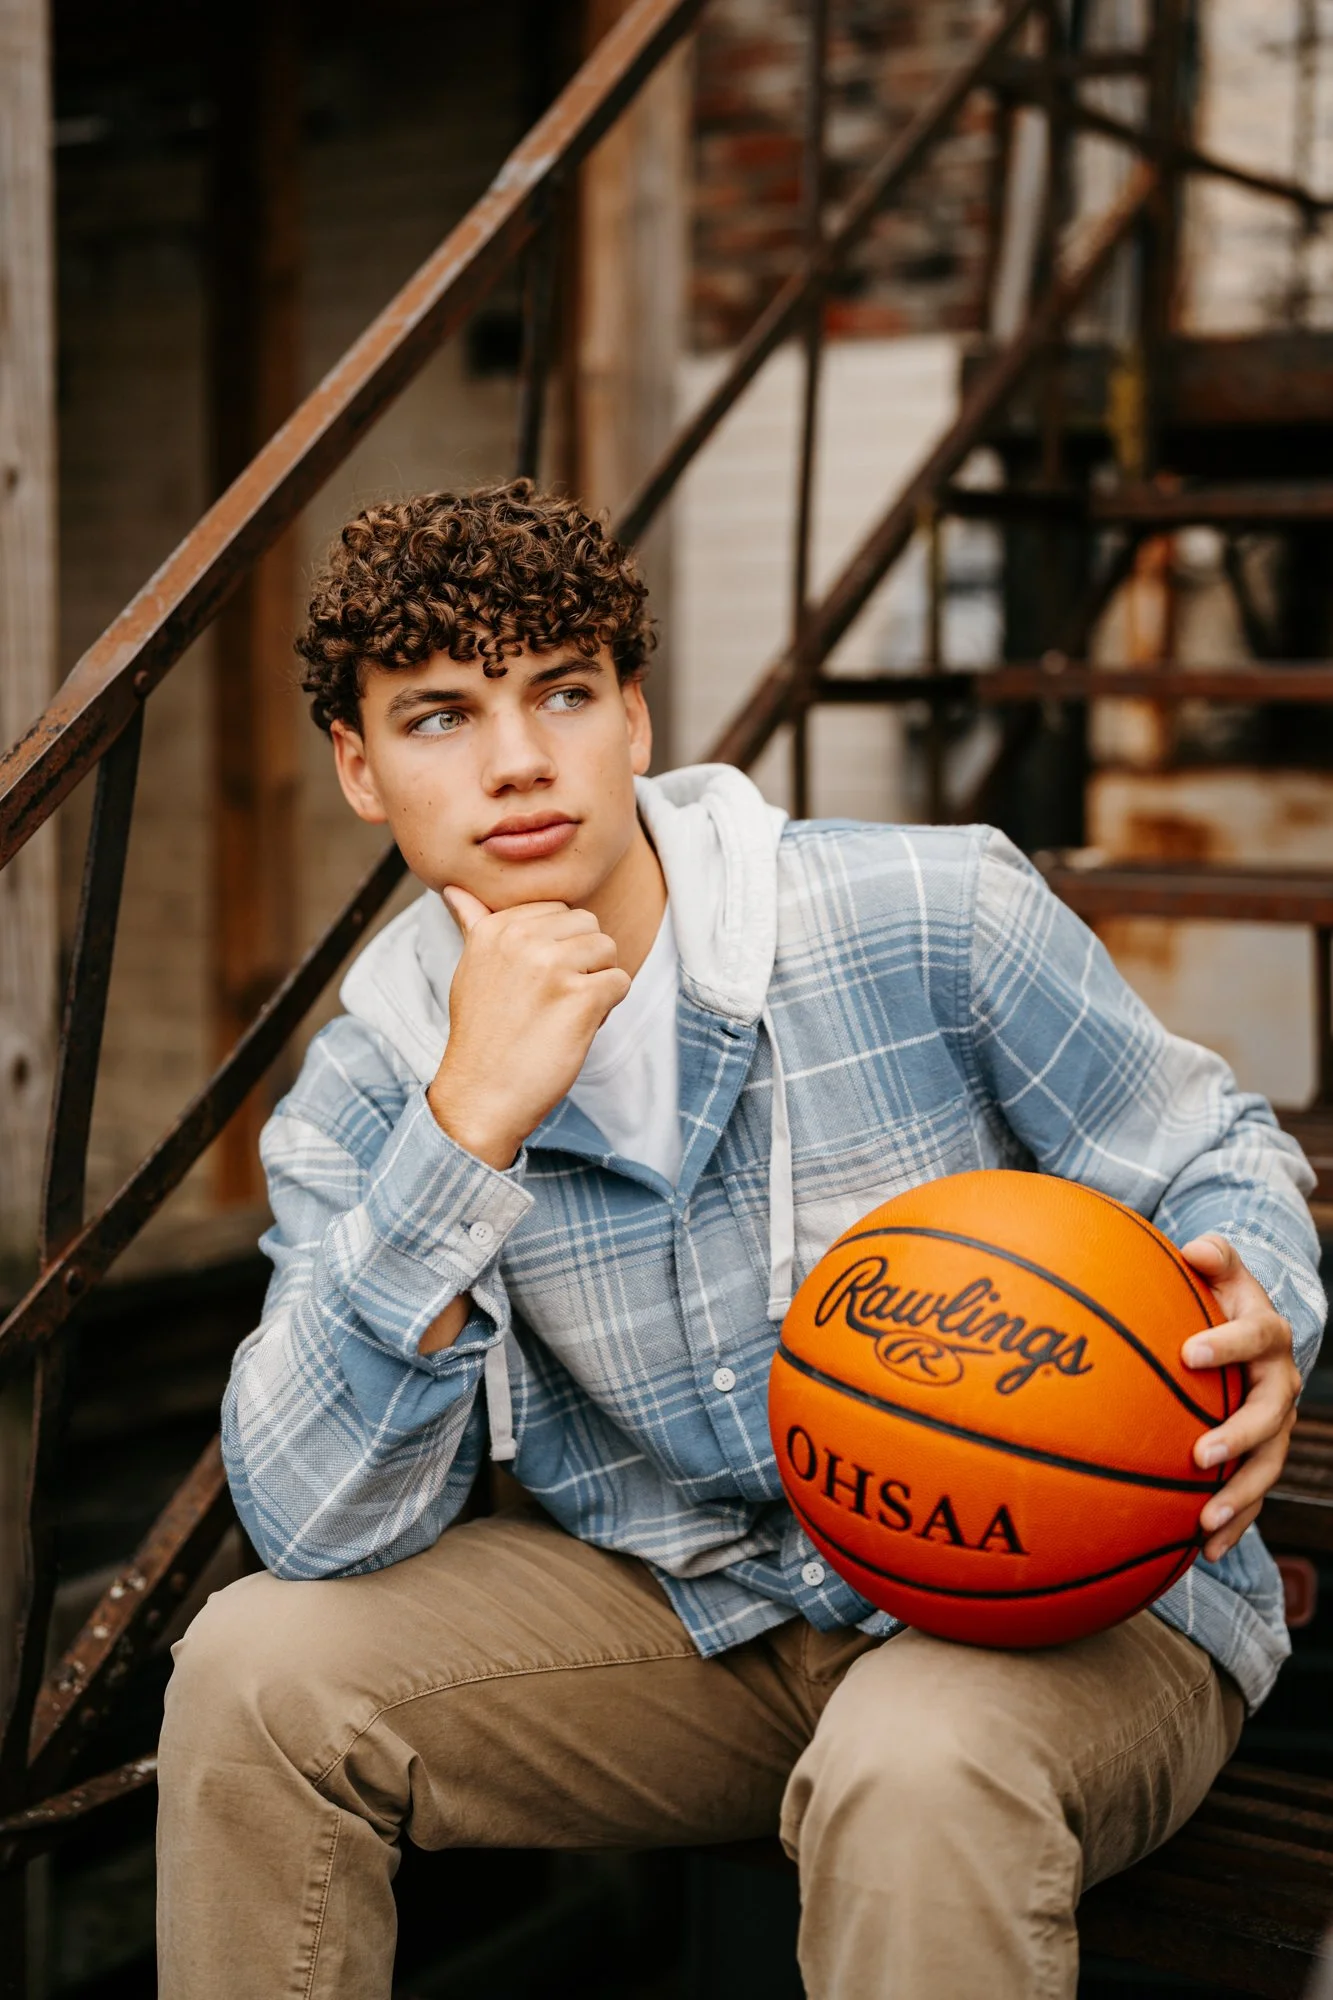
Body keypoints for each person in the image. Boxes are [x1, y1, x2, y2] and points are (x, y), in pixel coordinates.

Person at [157, 479, 1324, 2000]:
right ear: (360, 769)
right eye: (439, 716)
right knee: (251, 1674)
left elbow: (1212, 1152)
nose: (518, 764)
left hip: (1060, 1599)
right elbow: (317, 1527)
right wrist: (462, 1142)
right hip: (695, 1617)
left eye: (559, 694)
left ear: (634, 718)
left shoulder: (928, 911)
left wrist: (1265, 1302)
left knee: (914, 1766)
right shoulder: (375, 1090)